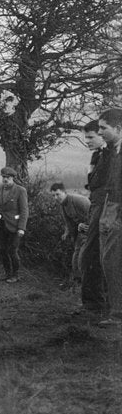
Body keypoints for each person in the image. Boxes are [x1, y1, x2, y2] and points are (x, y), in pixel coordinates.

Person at [75, 120, 109, 314]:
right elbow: (92, 184)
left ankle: (95, 304)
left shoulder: (109, 156)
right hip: (96, 206)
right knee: (90, 255)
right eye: (85, 137)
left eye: (90, 137)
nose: (86, 141)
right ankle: (93, 303)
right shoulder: (97, 156)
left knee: (92, 255)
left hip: (104, 206)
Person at [95, 108, 122, 327]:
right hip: (110, 208)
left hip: (117, 210)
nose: (100, 132)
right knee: (108, 260)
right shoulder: (112, 151)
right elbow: (98, 182)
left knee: (111, 261)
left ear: (118, 128)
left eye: (104, 128)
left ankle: (117, 314)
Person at [0, 166, 29, 283]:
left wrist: (22, 228)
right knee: (2, 250)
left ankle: (15, 275)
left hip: (14, 226)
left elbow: (24, 210)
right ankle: (6, 273)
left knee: (12, 250)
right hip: (1, 225)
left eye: (8, 177)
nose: (5, 179)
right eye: (3, 177)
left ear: (13, 178)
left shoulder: (20, 190)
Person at [50, 182, 90, 289]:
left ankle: (86, 283)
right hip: (81, 233)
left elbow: (95, 214)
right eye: (53, 195)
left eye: (58, 194)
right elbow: (68, 222)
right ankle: (78, 282)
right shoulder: (63, 206)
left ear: (65, 192)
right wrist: (67, 233)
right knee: (76, 256)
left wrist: (86, 225)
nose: (56, 197)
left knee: (83, 256)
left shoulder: (79, 201)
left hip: (92, 232)